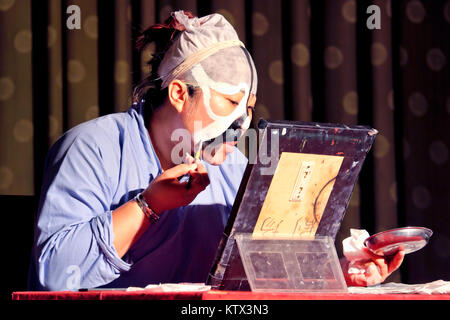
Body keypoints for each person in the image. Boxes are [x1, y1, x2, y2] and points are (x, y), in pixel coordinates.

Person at [28, 11, 404, 291]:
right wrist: (149, 206)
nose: (243, 123)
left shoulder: (236, 167)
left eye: (250, 106)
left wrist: (343, 272)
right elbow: (54, 275)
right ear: (178, 93)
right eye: (228, 101)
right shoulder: (92, 148)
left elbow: (261, 277)